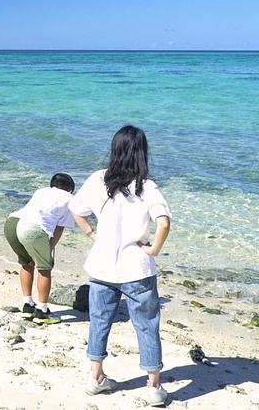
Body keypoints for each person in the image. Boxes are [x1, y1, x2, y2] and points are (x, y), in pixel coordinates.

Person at [69, 125, 171, 407]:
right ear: (142, 152)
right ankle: (153, 387)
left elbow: (75, 210)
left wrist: (92, 234)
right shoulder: (146, 186)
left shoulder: (97, 179)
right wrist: (154, 250)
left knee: (99, 321)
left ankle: (96, 378)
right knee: (147, 325)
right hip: (137, 269)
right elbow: (163, 223)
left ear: (115, 149)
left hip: (102, 266)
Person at [4, 172, 77, 324]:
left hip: (12, 223)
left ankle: (28, 305)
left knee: (27, 263)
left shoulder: (42, 191)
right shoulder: (70, 199)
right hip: (31, 228)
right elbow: (59, 228)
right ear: (70, 190)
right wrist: (49, 250)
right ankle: (42, 311)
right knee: (45, 268)